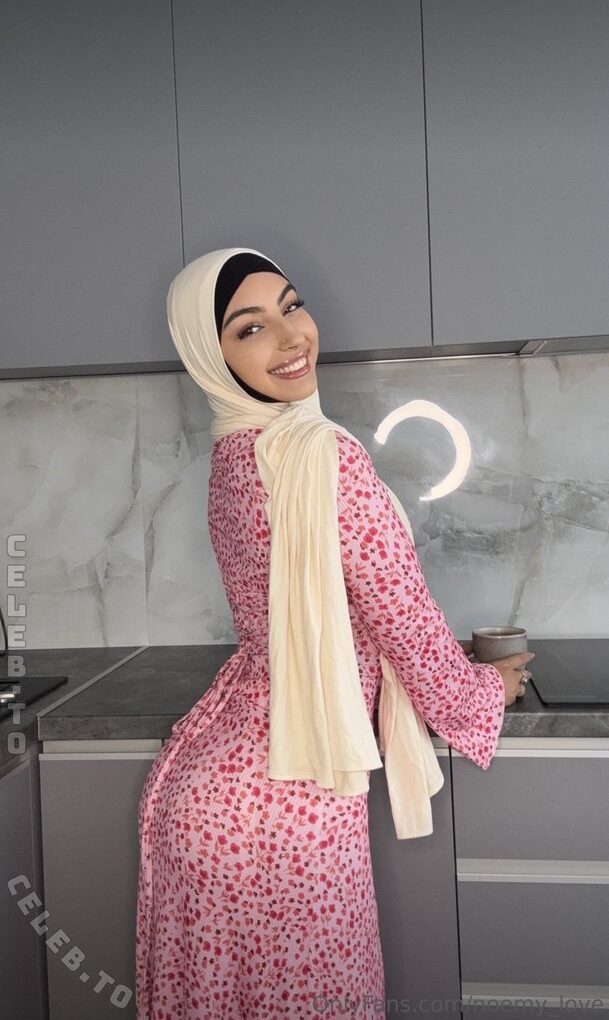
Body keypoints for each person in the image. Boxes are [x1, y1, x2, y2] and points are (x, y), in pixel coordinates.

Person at [135, 247, 533, 1019]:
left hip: (210, 795)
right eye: (251, 327)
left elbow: (329, 615)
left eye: (291, 306)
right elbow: (403, 621)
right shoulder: (320, 454)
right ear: (211, 355)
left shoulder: (234, 453)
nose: (291, 337)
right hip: (286, 805)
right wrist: (488, 686)